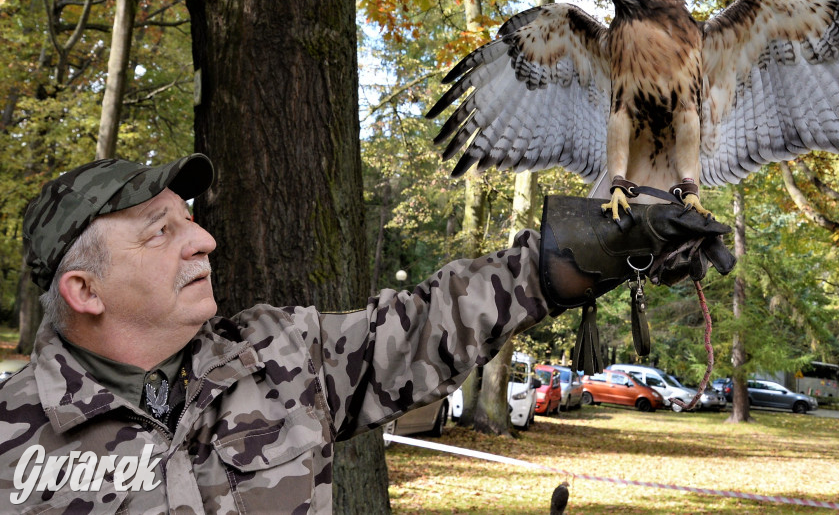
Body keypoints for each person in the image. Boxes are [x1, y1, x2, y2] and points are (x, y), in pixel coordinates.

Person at [0, 154, 732, 513]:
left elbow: (424, 326)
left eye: (191, 218)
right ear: (83, 290)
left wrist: (578, 258)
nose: (204, 242)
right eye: (163, 232)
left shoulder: (282, 356)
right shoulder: (14, 443)